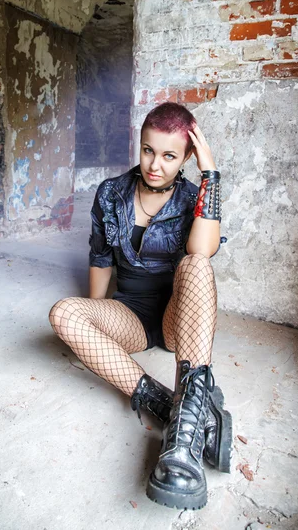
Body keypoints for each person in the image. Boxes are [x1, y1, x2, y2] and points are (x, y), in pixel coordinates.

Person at [49, 102, 232, 510]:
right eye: (149, 150)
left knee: (197, 263)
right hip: (128, 312)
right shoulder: (111, 192)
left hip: (176, 318)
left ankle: (182, 444)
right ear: (140, 145)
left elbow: (203, 250)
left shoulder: (192, 196)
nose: (155, 164)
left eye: (170, 156)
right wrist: (95, 320)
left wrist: (211, 176)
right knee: (63, 313)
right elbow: (99, 257)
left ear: (186, 157)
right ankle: (179, 409)